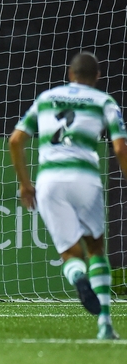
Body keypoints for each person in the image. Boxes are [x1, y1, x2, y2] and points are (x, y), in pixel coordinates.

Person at [9, 52, 127, 340]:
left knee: (70, 254)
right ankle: (105, 324)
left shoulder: (47, 98)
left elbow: (15, 140)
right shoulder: (104, 101)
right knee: (95, 248)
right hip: (84, 178)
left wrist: (25, 185)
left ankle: (77, 276)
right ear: (97, 77)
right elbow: (120, 149)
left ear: (70, 74)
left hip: (50, 180)